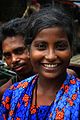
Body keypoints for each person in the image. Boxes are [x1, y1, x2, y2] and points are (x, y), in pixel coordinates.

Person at [0, 6, 80, 120]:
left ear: (71, 50)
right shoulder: (12, 95)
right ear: (29, 50)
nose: (51, 56)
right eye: (41, 46)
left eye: (60, 46)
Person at [0, 17, 34, 101]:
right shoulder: (6, 92)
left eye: (19, 51)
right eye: (8, 55)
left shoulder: (61, 79)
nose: (14, 59)